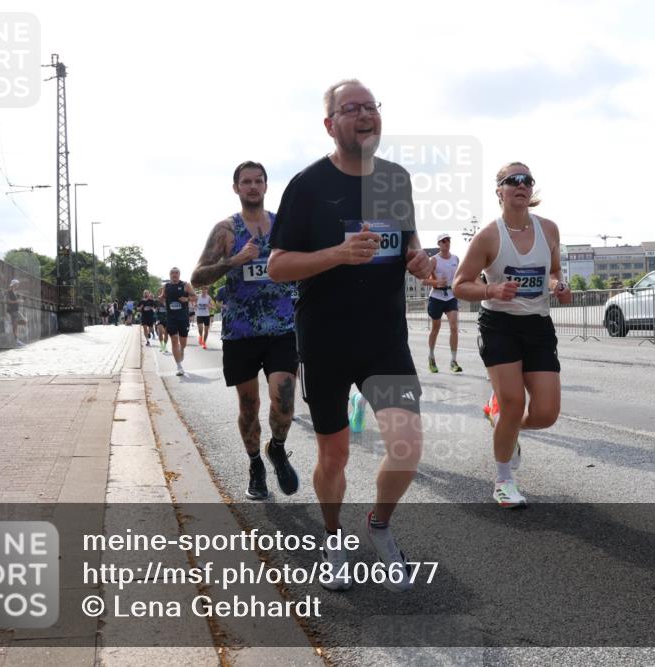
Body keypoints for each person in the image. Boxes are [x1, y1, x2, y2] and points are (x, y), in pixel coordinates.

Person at [268, 79, 432, 592]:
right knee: (333, 456)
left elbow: (407, 241)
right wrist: (336, 255)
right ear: (330, 124)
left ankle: (379, 527)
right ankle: (334, 537)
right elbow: (277, 266)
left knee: (406, 446)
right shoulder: (308, 185)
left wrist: (419, 259)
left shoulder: (396, 179)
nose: (364, 115)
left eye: (370, 107)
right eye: (351, 108)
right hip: (326, 341)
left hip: (384, 339)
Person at [452, 162, 571, 509]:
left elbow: (553, 271)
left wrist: (557, 284)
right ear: (499, 191)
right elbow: (460, 285)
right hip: (499, 326)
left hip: (538, 325)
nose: (521, 185)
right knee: (514, 402)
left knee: (547, 413)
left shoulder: (549, 229)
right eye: (512, 180)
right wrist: (492, 290)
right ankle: (503, 480)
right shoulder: (489, 235)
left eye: (527, 180)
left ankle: (500, 419)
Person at [192, 160, 301, 501]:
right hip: (240, 332)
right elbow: (198, 277)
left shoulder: (284, 226)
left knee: (283, 399)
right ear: (236, 188)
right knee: (249, 405)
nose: (252, 186)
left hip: (281, 327)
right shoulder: (226, 230)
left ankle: (277, 448)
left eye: (258, 181)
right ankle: (255, 463)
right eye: (246, 182)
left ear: (267, 186)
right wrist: (232, 262)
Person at [423, 233, 462, 373]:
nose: (446, 243)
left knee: (453, 327)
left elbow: (459, 276)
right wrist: (437, 282)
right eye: (443, 241)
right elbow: (424, 280)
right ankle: (431, 357)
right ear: (438, 244)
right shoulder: (434, 260)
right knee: (436, 329)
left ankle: (453, 361)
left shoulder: (456, 259)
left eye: (448, 240)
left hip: (451, 296)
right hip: (437, 297)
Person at [158, 268, 197, 376]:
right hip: (171, 318)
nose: (174, 275)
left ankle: (182, 350)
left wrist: (187, 299)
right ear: (169, 275)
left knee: (183, 343)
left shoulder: (186, 285)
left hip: (183, 318)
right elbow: (162, 297)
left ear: (179, 274)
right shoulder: (166, 286)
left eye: (176, 273)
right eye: (172, 273)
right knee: (174, 340)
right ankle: (179, 366)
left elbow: (195, 297)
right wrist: (161, 299)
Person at [6, 279, 25, 347]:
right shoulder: (9, 292)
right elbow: (8, 301)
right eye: (17, 284)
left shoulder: (15, 292)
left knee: (23, 322)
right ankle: (16, 342)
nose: (18, 285)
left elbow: (15, 301)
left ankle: (16, 341)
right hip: (12, 311)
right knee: (15, 326)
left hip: (16, 311)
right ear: (14, 284)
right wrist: (18, 301)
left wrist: (19, 301)